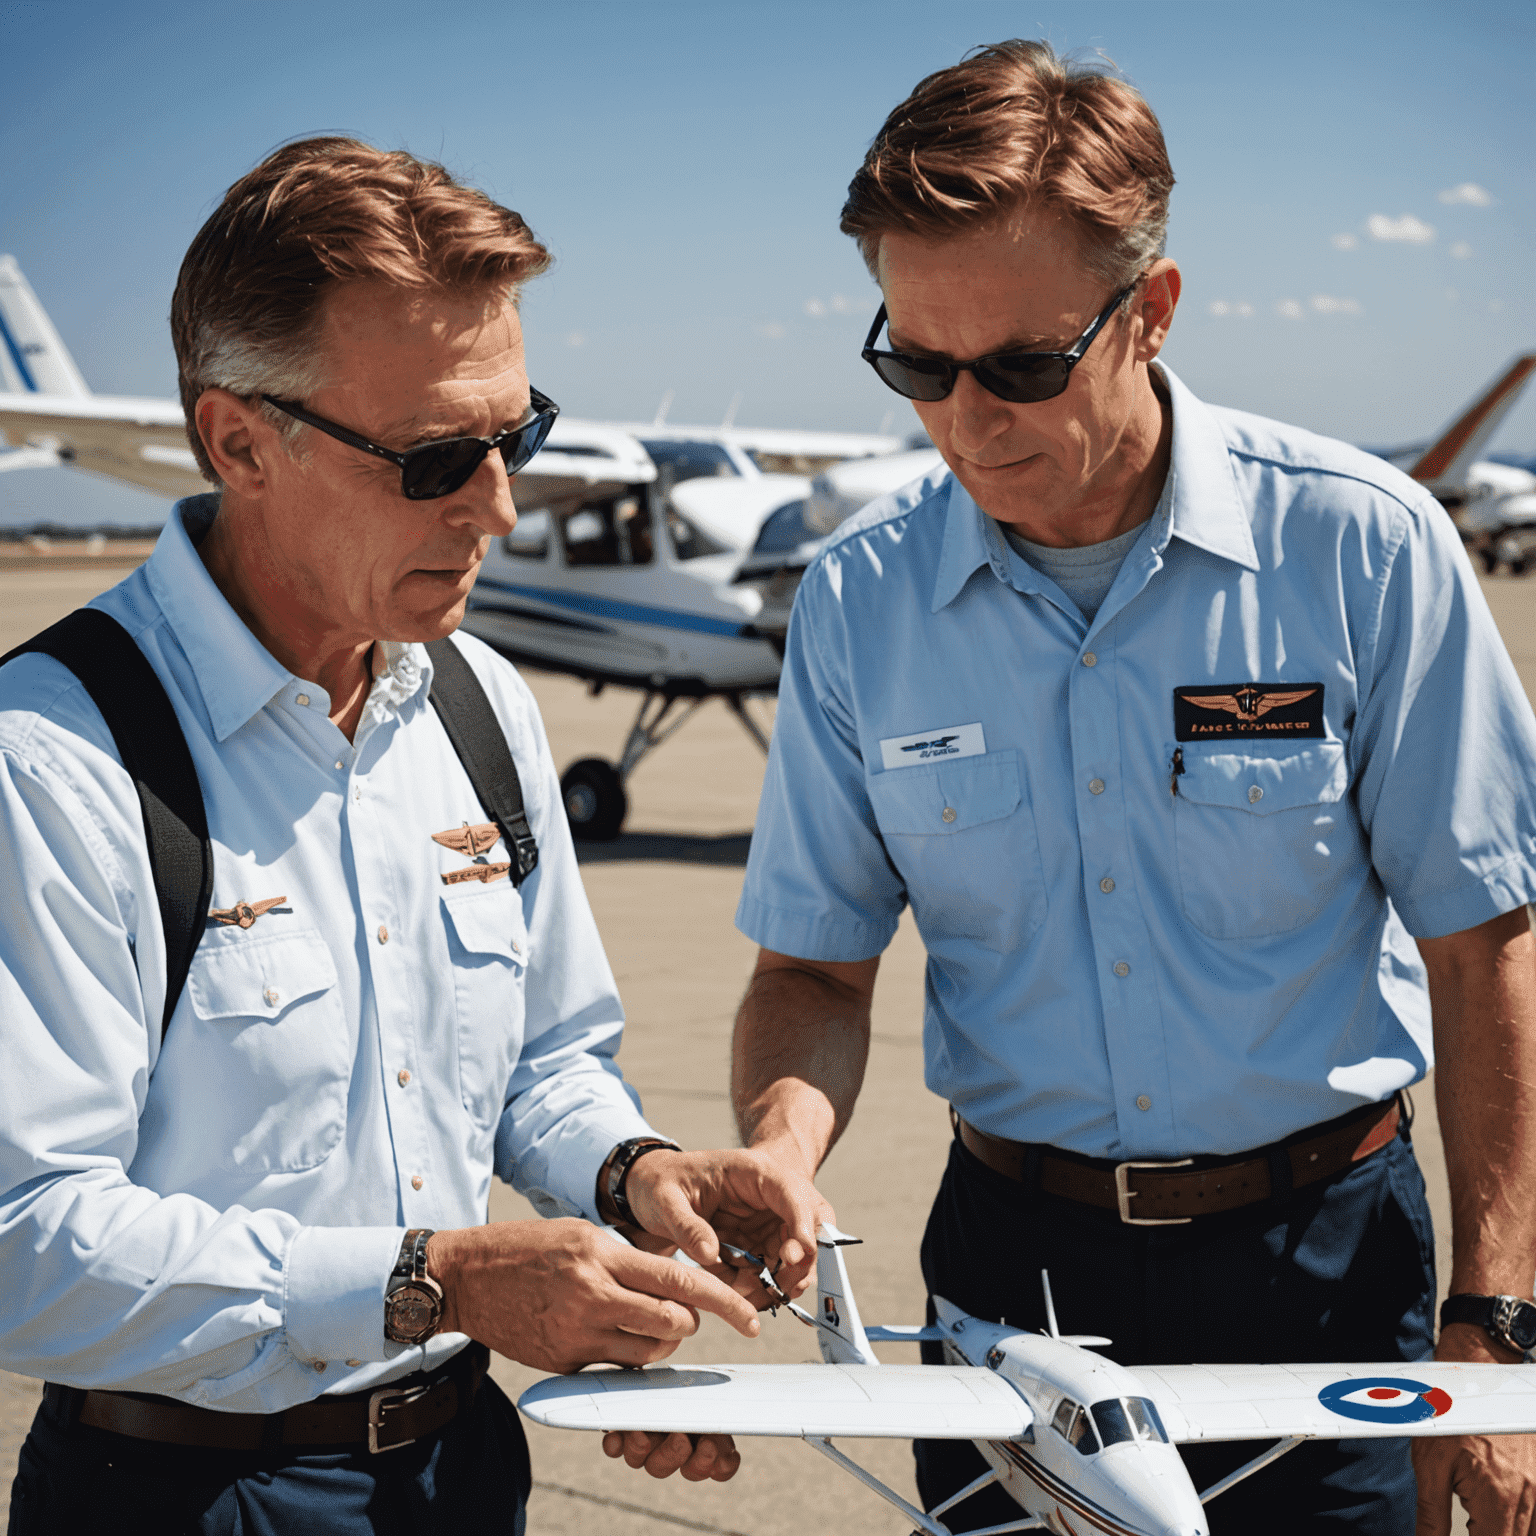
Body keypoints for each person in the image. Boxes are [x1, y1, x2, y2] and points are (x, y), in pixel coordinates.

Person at [728, 41, 1536, 1535]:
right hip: (1014, 1290)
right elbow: (810, 973)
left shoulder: (1365, 551)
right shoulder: (860, 605)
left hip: (1329, 1272)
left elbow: (1483, 948)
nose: (967, 418)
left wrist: (1498, 1330)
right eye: (917, 364)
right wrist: (782, 1143)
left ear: (1151, 311)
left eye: (1023, 366)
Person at [0, 138, 818, 1535]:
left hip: (457, 1471)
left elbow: (544, 1064)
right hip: (183, 1494)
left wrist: (635, 1176)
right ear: (236, 440)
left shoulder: (478, 705)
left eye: (521, 436)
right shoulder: (53, 761)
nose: (498, 506)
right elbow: (25, 1244)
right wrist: (440, 1278)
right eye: (437, 455)